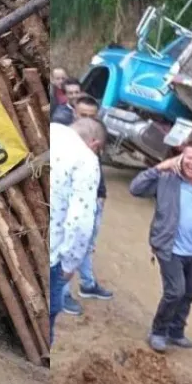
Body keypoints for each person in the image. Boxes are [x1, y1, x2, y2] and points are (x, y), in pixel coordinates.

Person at [129, 143, 192, 353]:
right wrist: (160, 167)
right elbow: (135, 189)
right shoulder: (167, 178)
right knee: (175, 291)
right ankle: (158, 332)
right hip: (169, 247)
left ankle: (176, 332)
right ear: (181, 158)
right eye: (189, 158)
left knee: (188, 293)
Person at [49, 117, 106, 384]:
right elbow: (81, 219)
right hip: (52, 253)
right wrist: (70, 264)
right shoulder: (86, 159)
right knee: (48, 321)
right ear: (95, 143)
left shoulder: (52, 131)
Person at [61, 96, 114, 316]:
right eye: (84, 115)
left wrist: (101, 194)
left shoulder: (94, 136)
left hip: (94, 200)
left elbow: (97, 170)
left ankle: (87, 283)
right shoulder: (66, 141)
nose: (88, 120)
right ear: (74, 113)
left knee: (87, 245)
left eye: (93, 116)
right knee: (70, 246)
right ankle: (62, 294)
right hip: (75, 204)